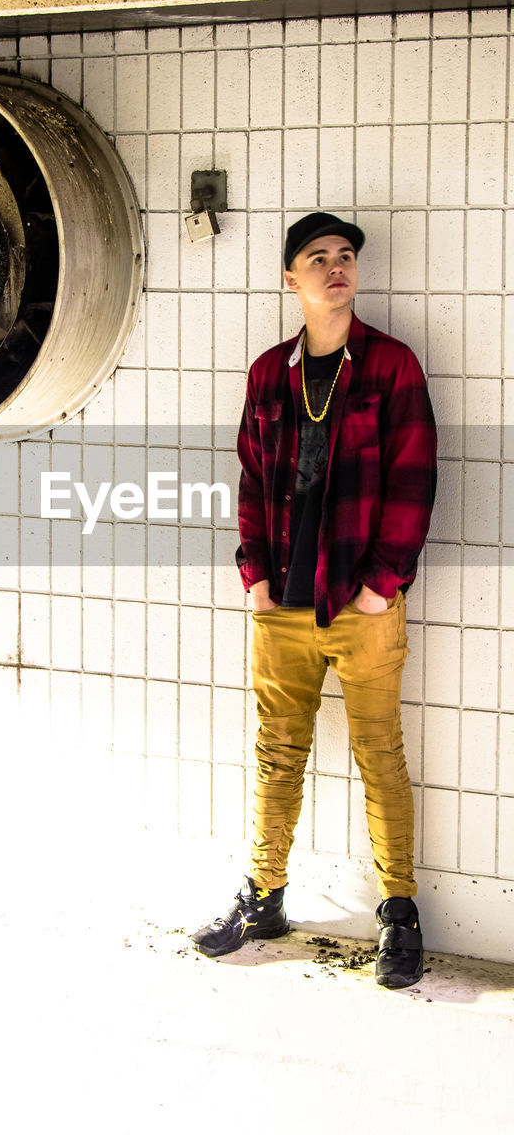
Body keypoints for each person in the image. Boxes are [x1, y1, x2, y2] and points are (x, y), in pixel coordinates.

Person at [190, 211, 437, 990]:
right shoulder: (271, 373)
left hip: (361, 606)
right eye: (318, 258)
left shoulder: (392, 366)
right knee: (276, 755)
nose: (337, 268)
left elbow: (414, 478)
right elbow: (254, 480)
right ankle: (263, 895)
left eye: (346, 257)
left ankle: (398, 913)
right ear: (290, 279)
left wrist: (381, 584)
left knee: (380, 757)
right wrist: (255, 578)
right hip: (285, 607)